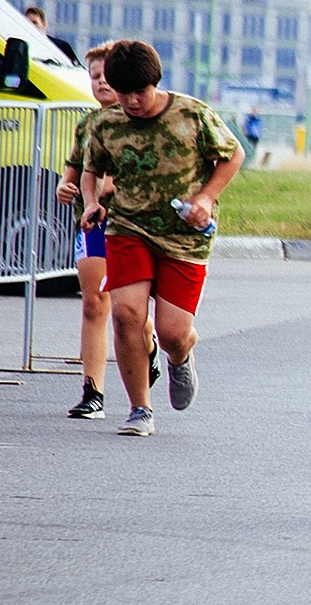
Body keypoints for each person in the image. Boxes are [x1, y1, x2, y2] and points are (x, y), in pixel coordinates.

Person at [78, 40, 244, 437]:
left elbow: (233, 154)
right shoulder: (106, 124)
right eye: (124, 93)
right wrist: (90, 202)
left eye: (141, 92)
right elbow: (90, 171)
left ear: (156, 83)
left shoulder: (192, 114)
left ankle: (180, 356)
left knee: (171, 332)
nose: (133, 101)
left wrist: (206, 197)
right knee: (125, 314)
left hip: (184, 235)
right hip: (128, 229)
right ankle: (139, 409)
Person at [56, 42, 153, 419]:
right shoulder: (89, 125)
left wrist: (111, 185)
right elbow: (74, 171)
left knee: (132, 312)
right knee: (95, 303)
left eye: (107, 77)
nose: (101, 85)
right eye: (94, 77)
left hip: (133, 222)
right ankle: (92, 389)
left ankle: (148, 350)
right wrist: (67, 187)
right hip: (94, 221)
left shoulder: (143, 124)